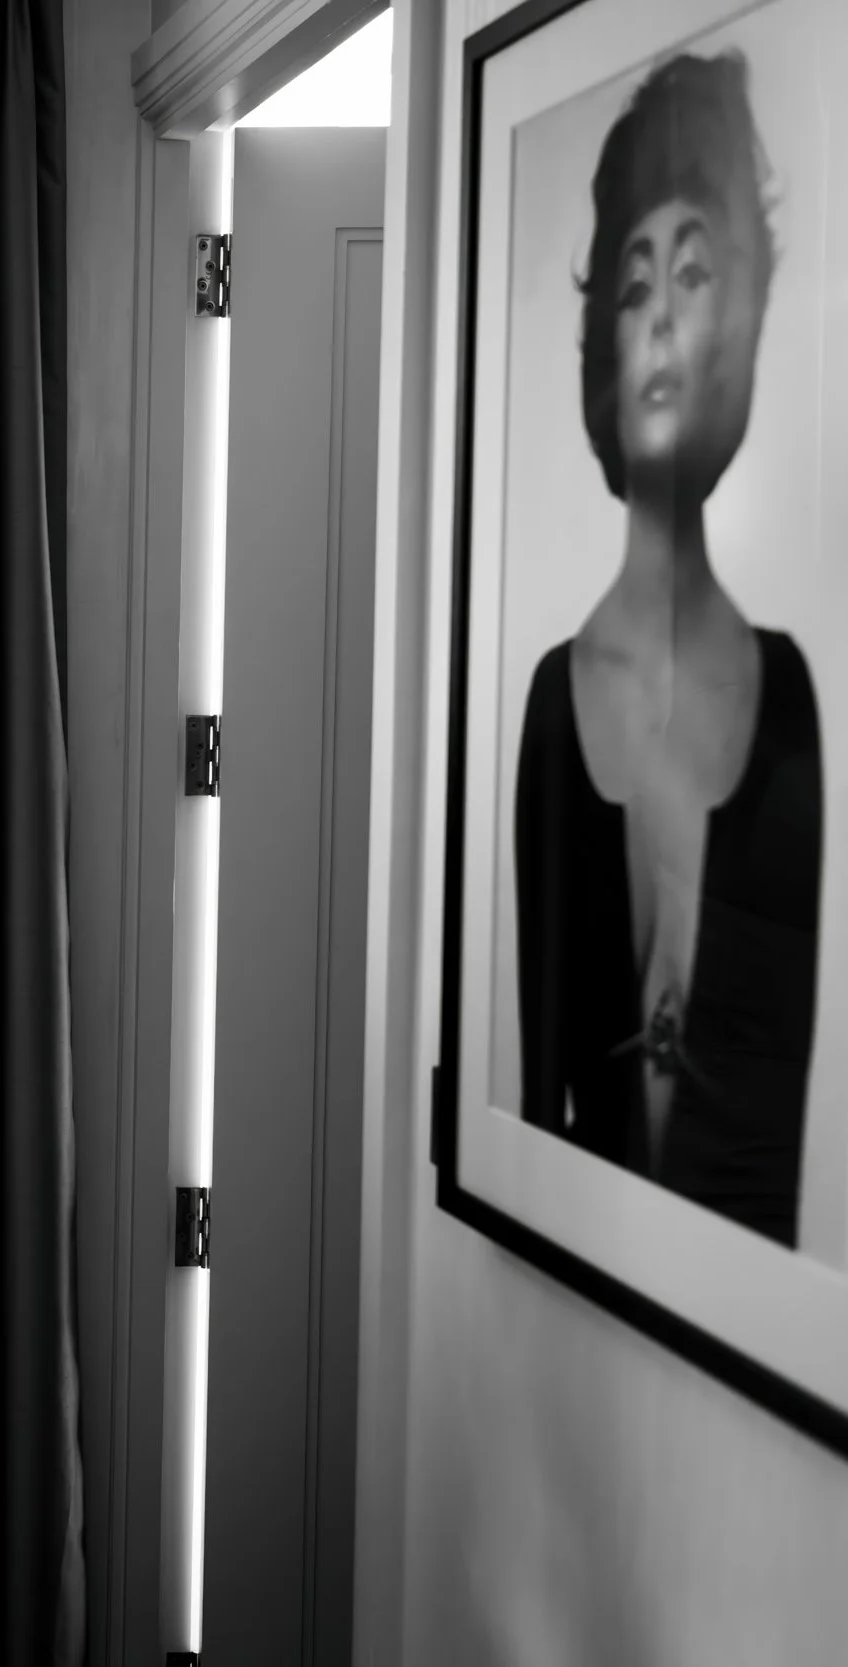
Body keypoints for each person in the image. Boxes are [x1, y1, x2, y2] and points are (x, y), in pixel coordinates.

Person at [514, 50, 822, 1245]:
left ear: (735, 321)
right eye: (631, 279)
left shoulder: (785, 695)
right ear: (604, 331)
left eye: (693, 271)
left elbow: (777, 1134)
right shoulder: (556, 699)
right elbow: (533, 1117)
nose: (657, 315)